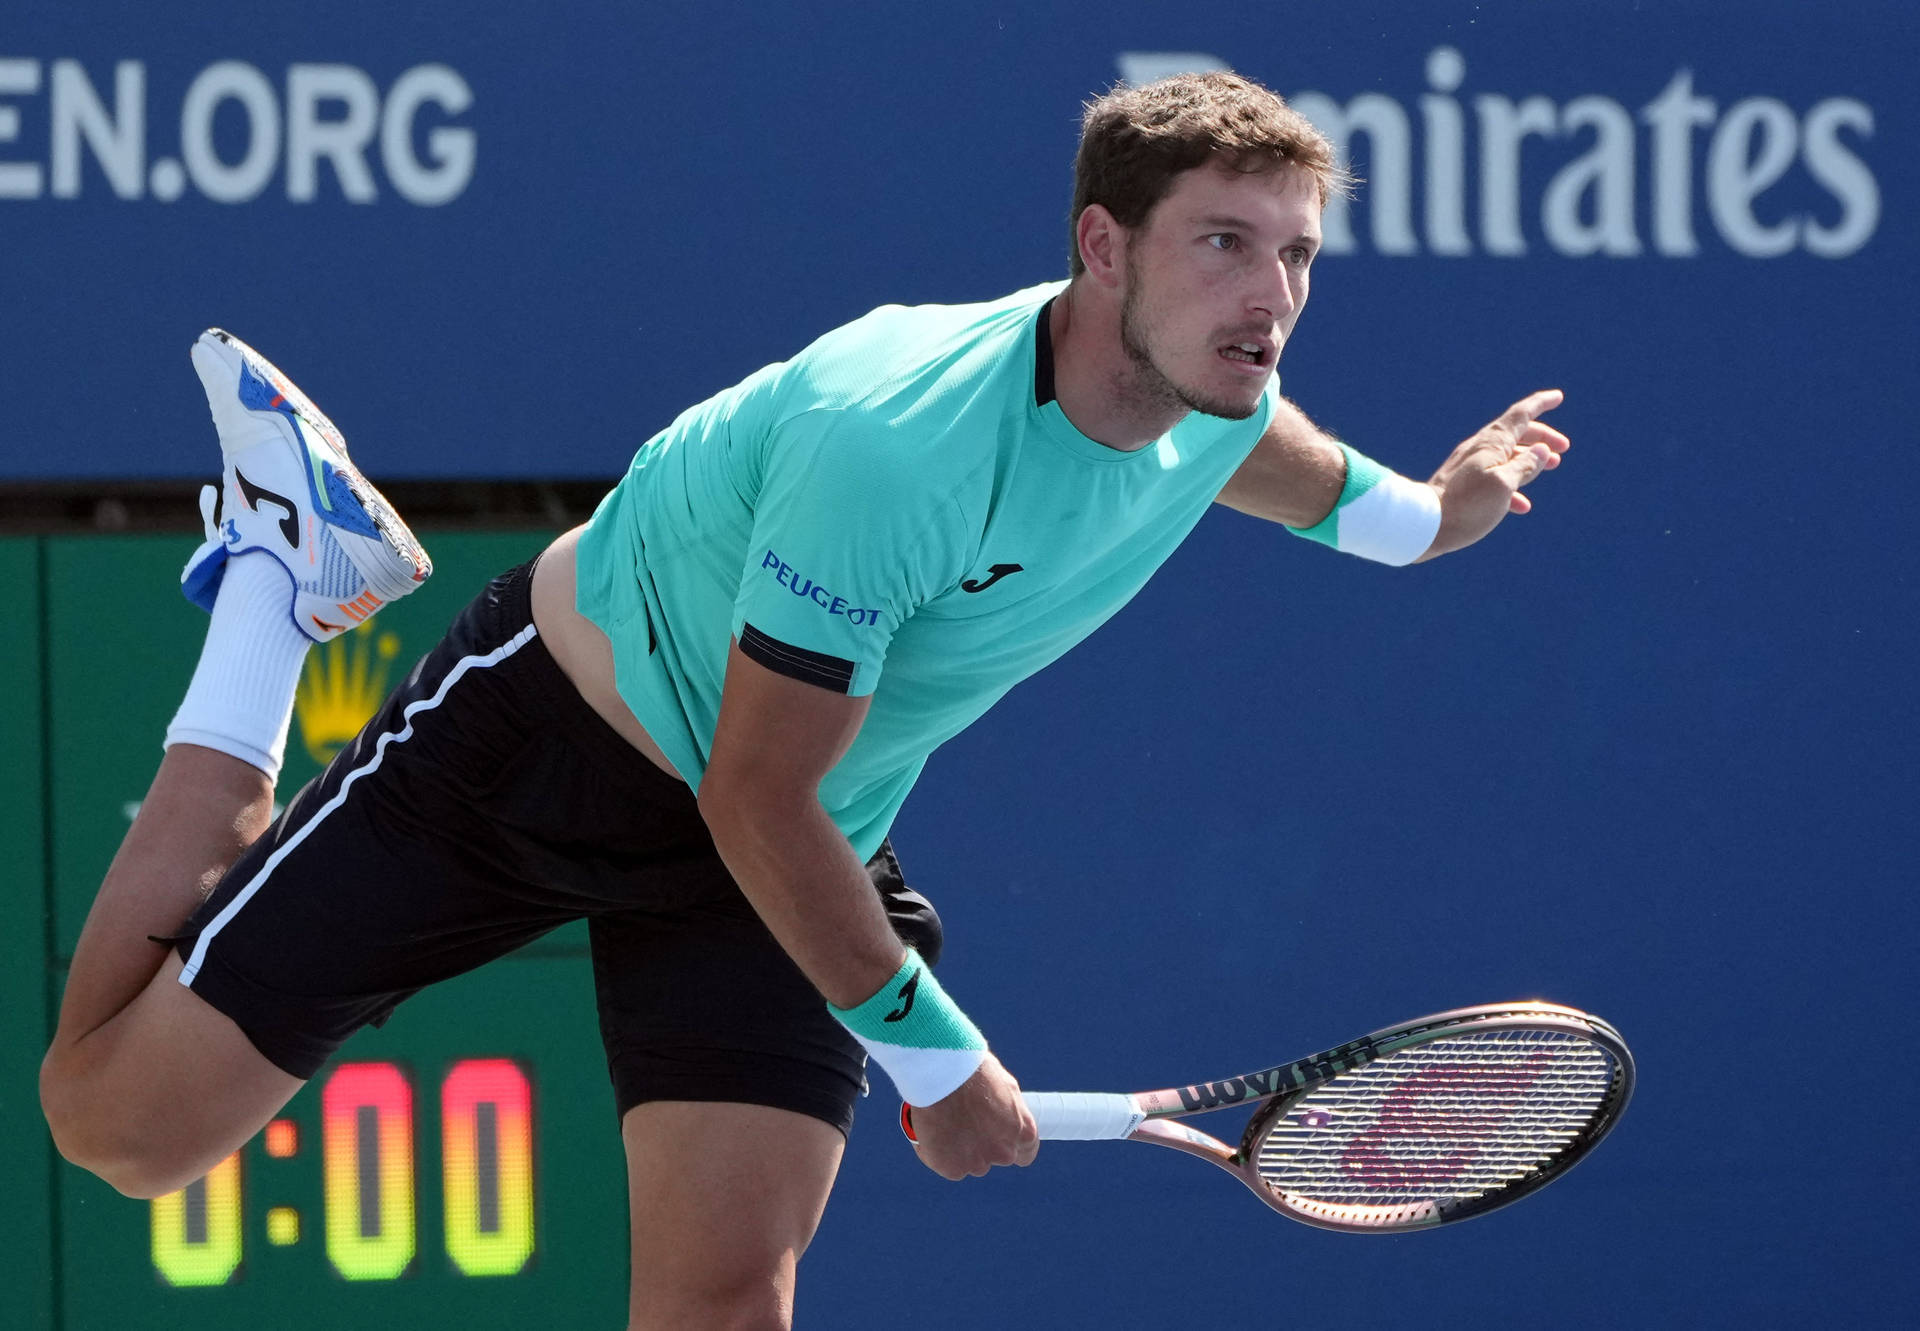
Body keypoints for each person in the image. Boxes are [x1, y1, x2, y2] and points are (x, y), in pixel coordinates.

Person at [41, 71, 1569, 1329]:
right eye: (1227, 245)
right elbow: (749, 797)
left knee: (721, 1299)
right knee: (116, 1130)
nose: (1275, 295)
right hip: (555, 748)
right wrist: (936, 1060)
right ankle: (278, 577)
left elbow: (1350, 498)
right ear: (1103, 248)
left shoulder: (1217, 409)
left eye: (1299, 254)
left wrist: (1446, 508)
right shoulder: (896, 442)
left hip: (783, 837)